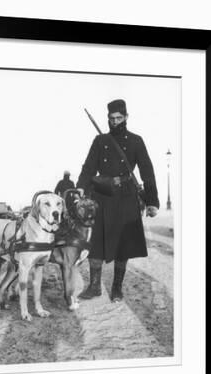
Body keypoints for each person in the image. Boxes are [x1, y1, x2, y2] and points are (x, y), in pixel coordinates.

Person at [77, 99, 159, 302]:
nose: (115, 122)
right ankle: (94, 286)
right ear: (108, 118)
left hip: (126, 197)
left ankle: (116, 288)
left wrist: (152, 201)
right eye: (112, 119)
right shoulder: (100, 140)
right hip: (102, 197)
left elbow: (147, 171)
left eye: (119, 118)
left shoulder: (136, 141)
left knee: (124, 244)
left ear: (126, 117)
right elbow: (88, 167)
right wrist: (80, 188)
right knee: (96, 243)